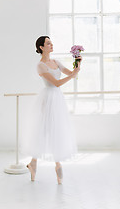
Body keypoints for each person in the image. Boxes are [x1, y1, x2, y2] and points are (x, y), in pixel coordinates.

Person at [25, 36, 82, 184]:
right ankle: (36, 163)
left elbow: (71, 74)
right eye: (48, 43)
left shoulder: (56, 62)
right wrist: (73, 75)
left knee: (57, 129)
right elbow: (56, 83)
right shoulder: (41, 65)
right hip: (47, 99)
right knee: (44, 130)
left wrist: (78, 65)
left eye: (51, 42)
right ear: (41, 47)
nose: (51, 45)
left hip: (57, 99)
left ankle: (51, 164)